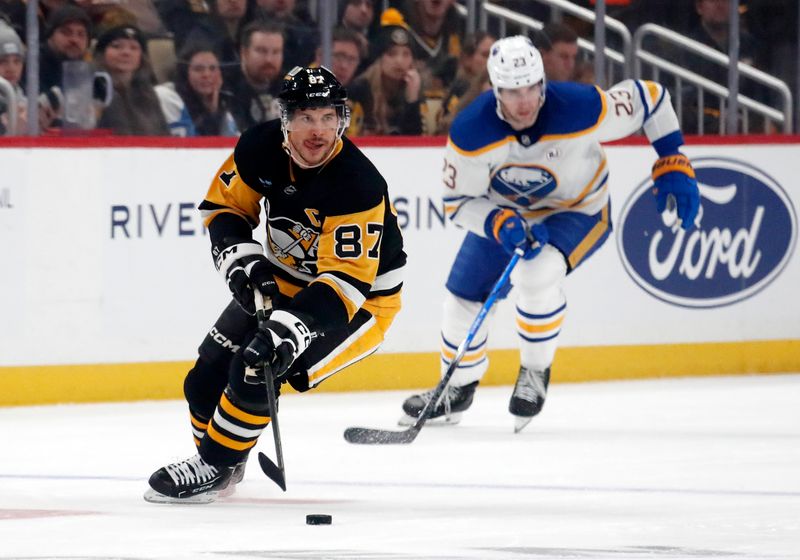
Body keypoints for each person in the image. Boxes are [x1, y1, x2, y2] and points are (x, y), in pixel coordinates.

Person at [399, 36, 700, 433]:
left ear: (542, 83)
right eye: (511, 91)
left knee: (536, 274)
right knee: (460, 298)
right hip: (507, 214)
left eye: (530, 89)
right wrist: (499, 223)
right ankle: (457, 388)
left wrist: (672, 158)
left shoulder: (582, 107)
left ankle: (534, 372)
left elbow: (652, 98)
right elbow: (459, 202)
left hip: (578, 210)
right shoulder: (472, 130)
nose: (523, 101)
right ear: (494, 89)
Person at [144, 66, 406, 503]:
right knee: (205, 376)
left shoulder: (357, 183)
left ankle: (214, 466)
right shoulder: (259, 148)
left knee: (260, 364)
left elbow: (344, 283)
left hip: (359, 304)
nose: (318, 130)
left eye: (328, 116)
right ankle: (227, 458)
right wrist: (243, 261)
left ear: (342, 119)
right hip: (284, 282)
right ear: (284, 118)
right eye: (305, 116)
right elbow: (225, 209)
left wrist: (289, 329)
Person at [346, 18, 423, 136]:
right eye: (391, 54)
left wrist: (412, 101)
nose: (399, 61)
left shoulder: (415, 89)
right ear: (379, 59)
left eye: (406, 54)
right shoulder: (359, 91)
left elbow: (416, 145)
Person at [94, 24, 170, 135]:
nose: (126, 53)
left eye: (134, 48)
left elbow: (164, 136)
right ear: (102, 54)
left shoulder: (148, 94)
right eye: (116, 46)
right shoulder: (92, 90)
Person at [226, 20, 286, 131]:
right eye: (261, 51)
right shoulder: (227, 89)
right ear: (244, 53)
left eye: (276, 52)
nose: (269, 59)